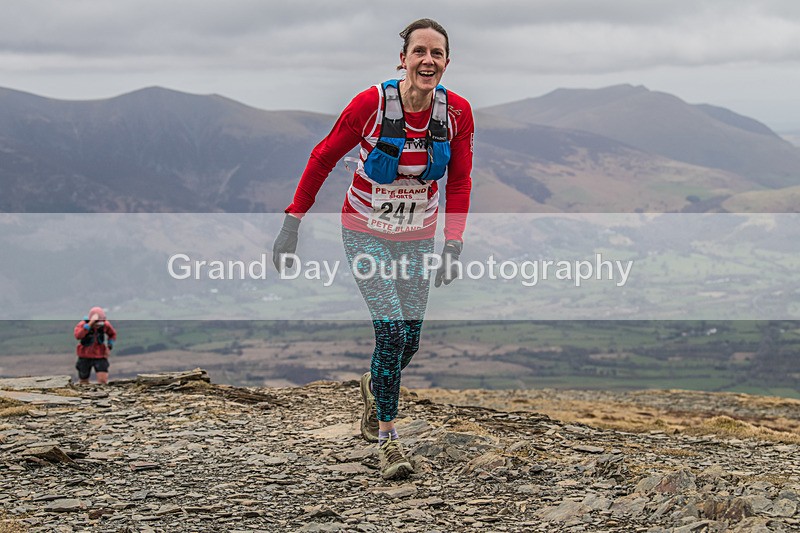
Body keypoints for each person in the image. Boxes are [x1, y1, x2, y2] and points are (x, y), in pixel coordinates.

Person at [272, 18, 473, 480]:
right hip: (364, 230)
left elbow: (459, 180)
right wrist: (292, 223)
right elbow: (323, 157)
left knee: (411, 339)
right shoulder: (370, 105)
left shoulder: (457, 113)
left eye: (436, 53)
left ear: (446, 62)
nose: (427, 60)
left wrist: (454, 241)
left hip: (418, 237)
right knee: (390, 333)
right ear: (402, 58)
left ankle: (374, 384)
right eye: (419, 51)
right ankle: (388, 440)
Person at [73, 306, 117, 385]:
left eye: (100, 323)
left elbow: (112, 334)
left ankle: (102, 394)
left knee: (103, 380)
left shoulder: (105, 325)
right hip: (84, 355)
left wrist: (110, 344)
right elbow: (78, 336)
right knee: (83, 380)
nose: (98, 325)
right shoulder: (83, 324)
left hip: (100, 354)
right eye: (96, 323)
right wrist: (89, 325)